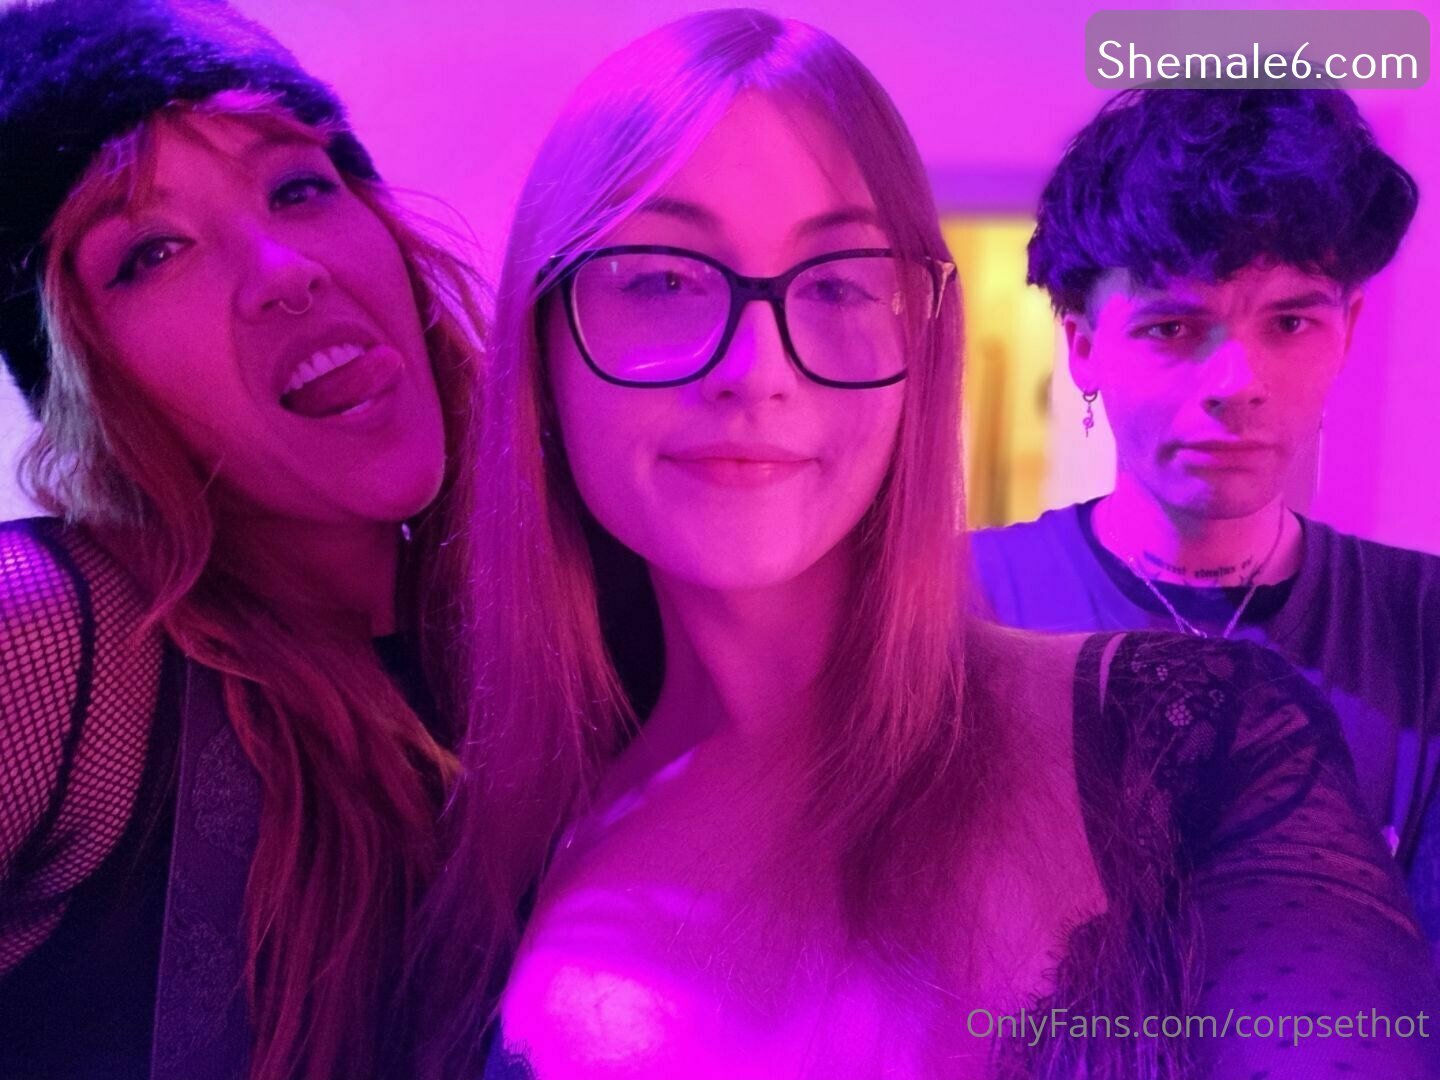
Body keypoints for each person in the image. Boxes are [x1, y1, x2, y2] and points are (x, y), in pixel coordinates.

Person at [413, 10, 1439, 1079]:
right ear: (542, 340)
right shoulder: (497, 855)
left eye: (836, 282)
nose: (757, 369)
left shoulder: (1195, 738)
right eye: (662, 279)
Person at [0, 1, 488, 1077]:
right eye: (153, 251)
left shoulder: (543, 632)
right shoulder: (49, 640)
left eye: (299, 187)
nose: (284, 270)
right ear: (83, 385)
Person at [967, 85, 1440, 946]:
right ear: (1082, 346)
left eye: (1290, 323)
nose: (1236, 384)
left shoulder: (1423, 630)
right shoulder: (958, 603)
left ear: (1347, 330)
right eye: (1174, 329)